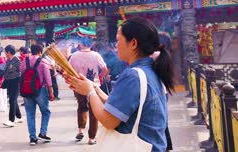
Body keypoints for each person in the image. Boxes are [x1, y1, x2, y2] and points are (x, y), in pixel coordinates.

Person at [64, 17, 176, 152]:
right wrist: (94, 87)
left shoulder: (133, 76)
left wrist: (90, 92)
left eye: (118, 40)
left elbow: (108, 120)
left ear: (133, 43)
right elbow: (119, 107)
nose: (116, 45)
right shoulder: (151, 70)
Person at [68, 36, 107, 144]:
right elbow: (104, 68)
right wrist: (100, 76)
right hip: (93, 85)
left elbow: (68, 70)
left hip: (79, 85)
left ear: (80, 44)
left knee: (81, 107)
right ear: (91, 45)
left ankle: (80, 130)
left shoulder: (74, 56)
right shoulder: (96, 55)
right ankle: (91, 138)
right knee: (94, 111)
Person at [21, 44, 55, 146]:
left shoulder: (25, 61)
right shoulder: (43, 62)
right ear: (40, 52)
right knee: (46, 112)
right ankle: (42, 133)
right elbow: (48, 80)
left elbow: (21, 72)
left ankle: (32, 138)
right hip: (40, 90)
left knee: (30, 114)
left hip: (26, 91)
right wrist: (51, 93)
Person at [2, 45, 23, 127]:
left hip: (16, 82)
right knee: (13, 99)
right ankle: (19, 117)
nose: (5, 53)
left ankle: (11, 120)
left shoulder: (17, 61)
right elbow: (6, 71)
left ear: (9, 52)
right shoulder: (8, 60)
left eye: (5, 51)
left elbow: (21, 72)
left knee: (12, 100)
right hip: (9, 81)